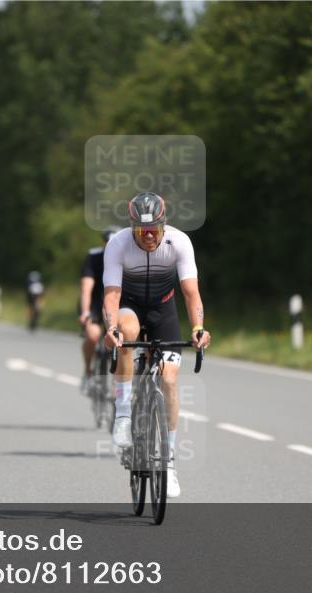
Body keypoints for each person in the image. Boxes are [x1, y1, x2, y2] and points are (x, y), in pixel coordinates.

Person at [102, 192, 211, 498]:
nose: (149, 236)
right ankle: (123, 412)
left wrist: (199, 328)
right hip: (129, 307)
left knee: (169, 379)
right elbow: (111, 294)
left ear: (164, 225)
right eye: (142, 231)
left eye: (154, 230)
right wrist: (111, 328)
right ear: (132, 227)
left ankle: (170, 462)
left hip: (164, 310)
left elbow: (191, 293)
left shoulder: (179, 243)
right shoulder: (118, 244)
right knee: (126, 331)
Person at [79, 226, 120, 392]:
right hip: (95, 303)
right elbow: (86, 287)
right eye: (107, 243)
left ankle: (121, 383)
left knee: (124, 340)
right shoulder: (94, 256)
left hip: (118, 303)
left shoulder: (127, 256)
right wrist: (85, 312)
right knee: (93, 335)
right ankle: (88, 370)